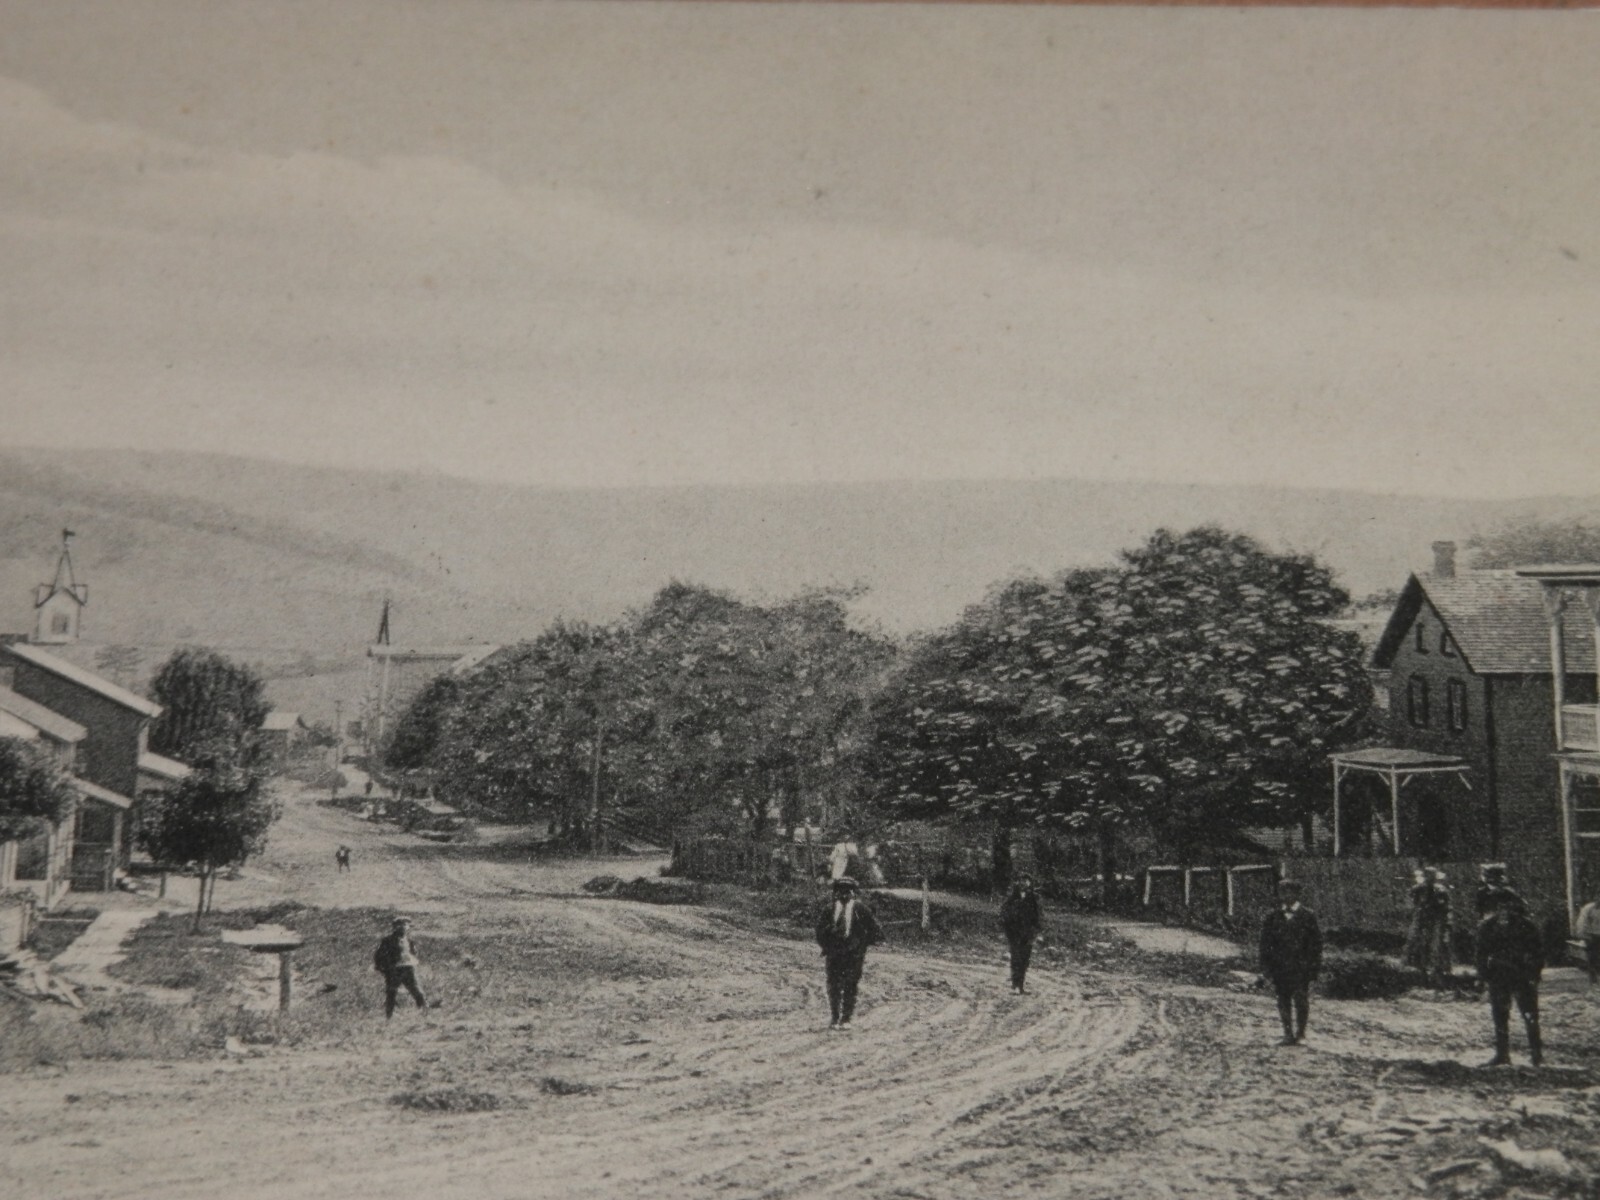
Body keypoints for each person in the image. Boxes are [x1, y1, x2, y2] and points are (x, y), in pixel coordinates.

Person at [1475, 890, 1544, 1066]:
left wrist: (1534, 974)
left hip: (1522, 974)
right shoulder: (1487, 927)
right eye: (1499, 907)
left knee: (1529, 1014)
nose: (1504, 910)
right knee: (1500, 1015)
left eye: (1507, 906)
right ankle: (1502, 1054)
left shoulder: (1526, 926)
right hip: (1499, 975)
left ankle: (1536, 1054)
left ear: (1514, 907)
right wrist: (1483, 977)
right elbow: (1481, 954)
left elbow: (1538, 952)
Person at [1258, 880, 1323, 1046]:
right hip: (1280, 967)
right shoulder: (1272, 917)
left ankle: (1300, 1033)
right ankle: (1287, 1033)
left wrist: (1313, 969)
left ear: (1297, 894)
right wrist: (1266, 968)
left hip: (1301, 968)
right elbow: (1265, 945)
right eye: (1282, 892)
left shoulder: (1308, 916)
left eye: (1289, 892)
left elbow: (1315, 945)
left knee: (1301, 999)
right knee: (1283, 999)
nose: (1286, 896)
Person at [815, 877, 881, 1030]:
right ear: (836, 893)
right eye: (840, 891)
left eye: (848, 891)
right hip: (834, 953)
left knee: (851, 984)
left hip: (854, 954)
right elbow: (819, 931)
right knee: (834, 985)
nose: (844, 895)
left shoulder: (860, 910)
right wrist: (827, 940)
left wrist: (862, 945)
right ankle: (834, 1017)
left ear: (853, 893)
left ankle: (846, 1018)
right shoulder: (829, 910)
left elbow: (875, 930)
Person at [1403, 867, 1452, 989]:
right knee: (1419, 945)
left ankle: (1437, 973)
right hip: (1422, 920)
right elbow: (1410, 905)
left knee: (1437, 946)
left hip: (1437, 921)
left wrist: (1446, 921)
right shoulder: (1417, 889)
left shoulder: (1441, 890)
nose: (1430, 879)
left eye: (1432, 877)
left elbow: (1446, 907)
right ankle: (1422, 974)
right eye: (1428, 877)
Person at [373, 916, 429, 1020]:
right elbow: (378, 955)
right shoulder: (387, 941)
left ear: (408, 927)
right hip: (394, 970)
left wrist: (413, 961)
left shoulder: (409, 941)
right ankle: (389, 1017)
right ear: (394, 927)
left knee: (417, 992)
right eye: (400, 926)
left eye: (405, 925)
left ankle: (425, 1014)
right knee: (391, 993)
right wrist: (382, 968)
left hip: (409, 969)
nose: (403, 928)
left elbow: (414, 953)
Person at [1000, 873, 1044, 994]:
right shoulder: (1012, 898)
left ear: (1030, 883)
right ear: (1018, 883)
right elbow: (1004, 914)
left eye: (1027, 881)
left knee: (1024, 960)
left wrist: (1036, 932)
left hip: (1028, 935)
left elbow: (1039, 916)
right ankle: (1015, 985)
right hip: (1014, 934)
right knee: (1015, 959)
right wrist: (1008, 929)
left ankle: (1021, 985)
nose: (1024, 883)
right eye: (1021, 881)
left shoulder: (1035, 899)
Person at [1576, 893, 1600, 985]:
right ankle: (1593, 979)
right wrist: (1584, 935)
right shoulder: (1589, 908)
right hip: (1592, 936)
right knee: (1592, 958)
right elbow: (1582, 922)